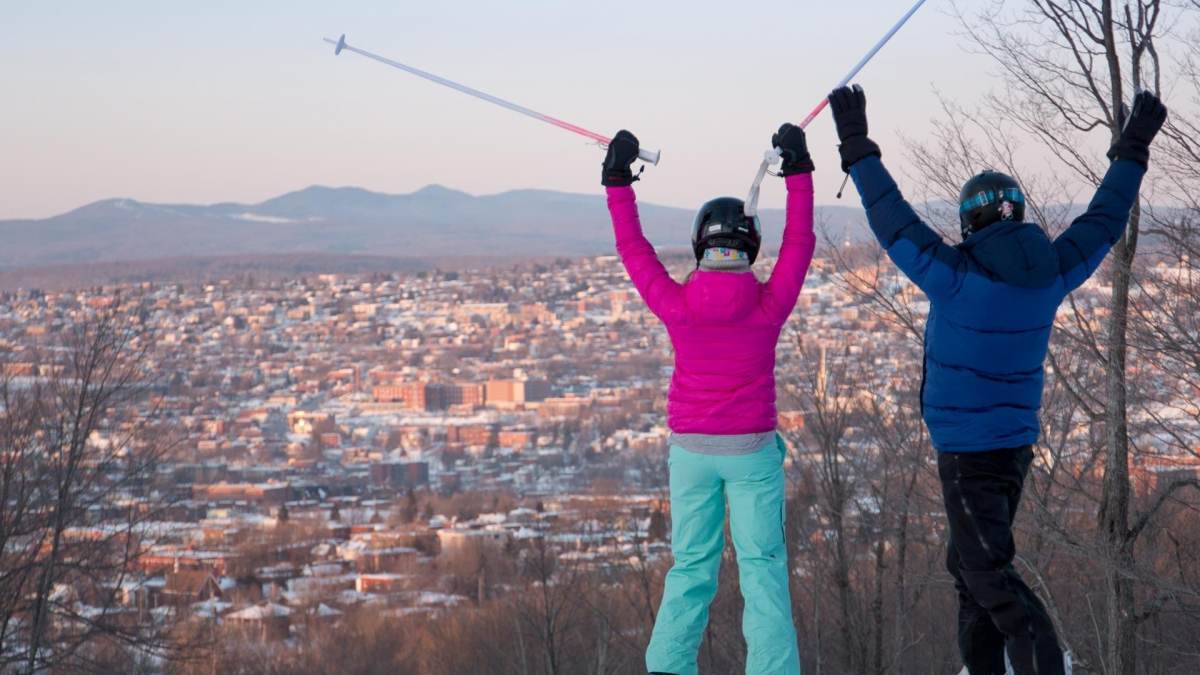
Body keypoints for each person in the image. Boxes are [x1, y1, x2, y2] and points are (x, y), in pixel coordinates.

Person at [826, 84, 1167, 675]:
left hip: (968, 451)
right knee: (969, 566)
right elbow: (1106, 220)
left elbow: (892, 220)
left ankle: (1040, 665)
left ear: (971, 221)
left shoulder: (954, 275)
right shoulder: (1052, 269)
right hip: (1013, 447)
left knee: (986, 572)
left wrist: (856, 147)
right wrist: (1133, 146)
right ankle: (982, 667)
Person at [602, 125, 815, 675]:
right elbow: (801, 243)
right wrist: (798, 171)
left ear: (701, 242)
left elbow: (633, 248)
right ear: (750, 245)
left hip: (691, 453)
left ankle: (669, 668)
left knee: (691, 567)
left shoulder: (678, 304)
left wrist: (617, 180)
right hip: (751, 453)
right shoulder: (768, 305)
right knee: (762, 568)